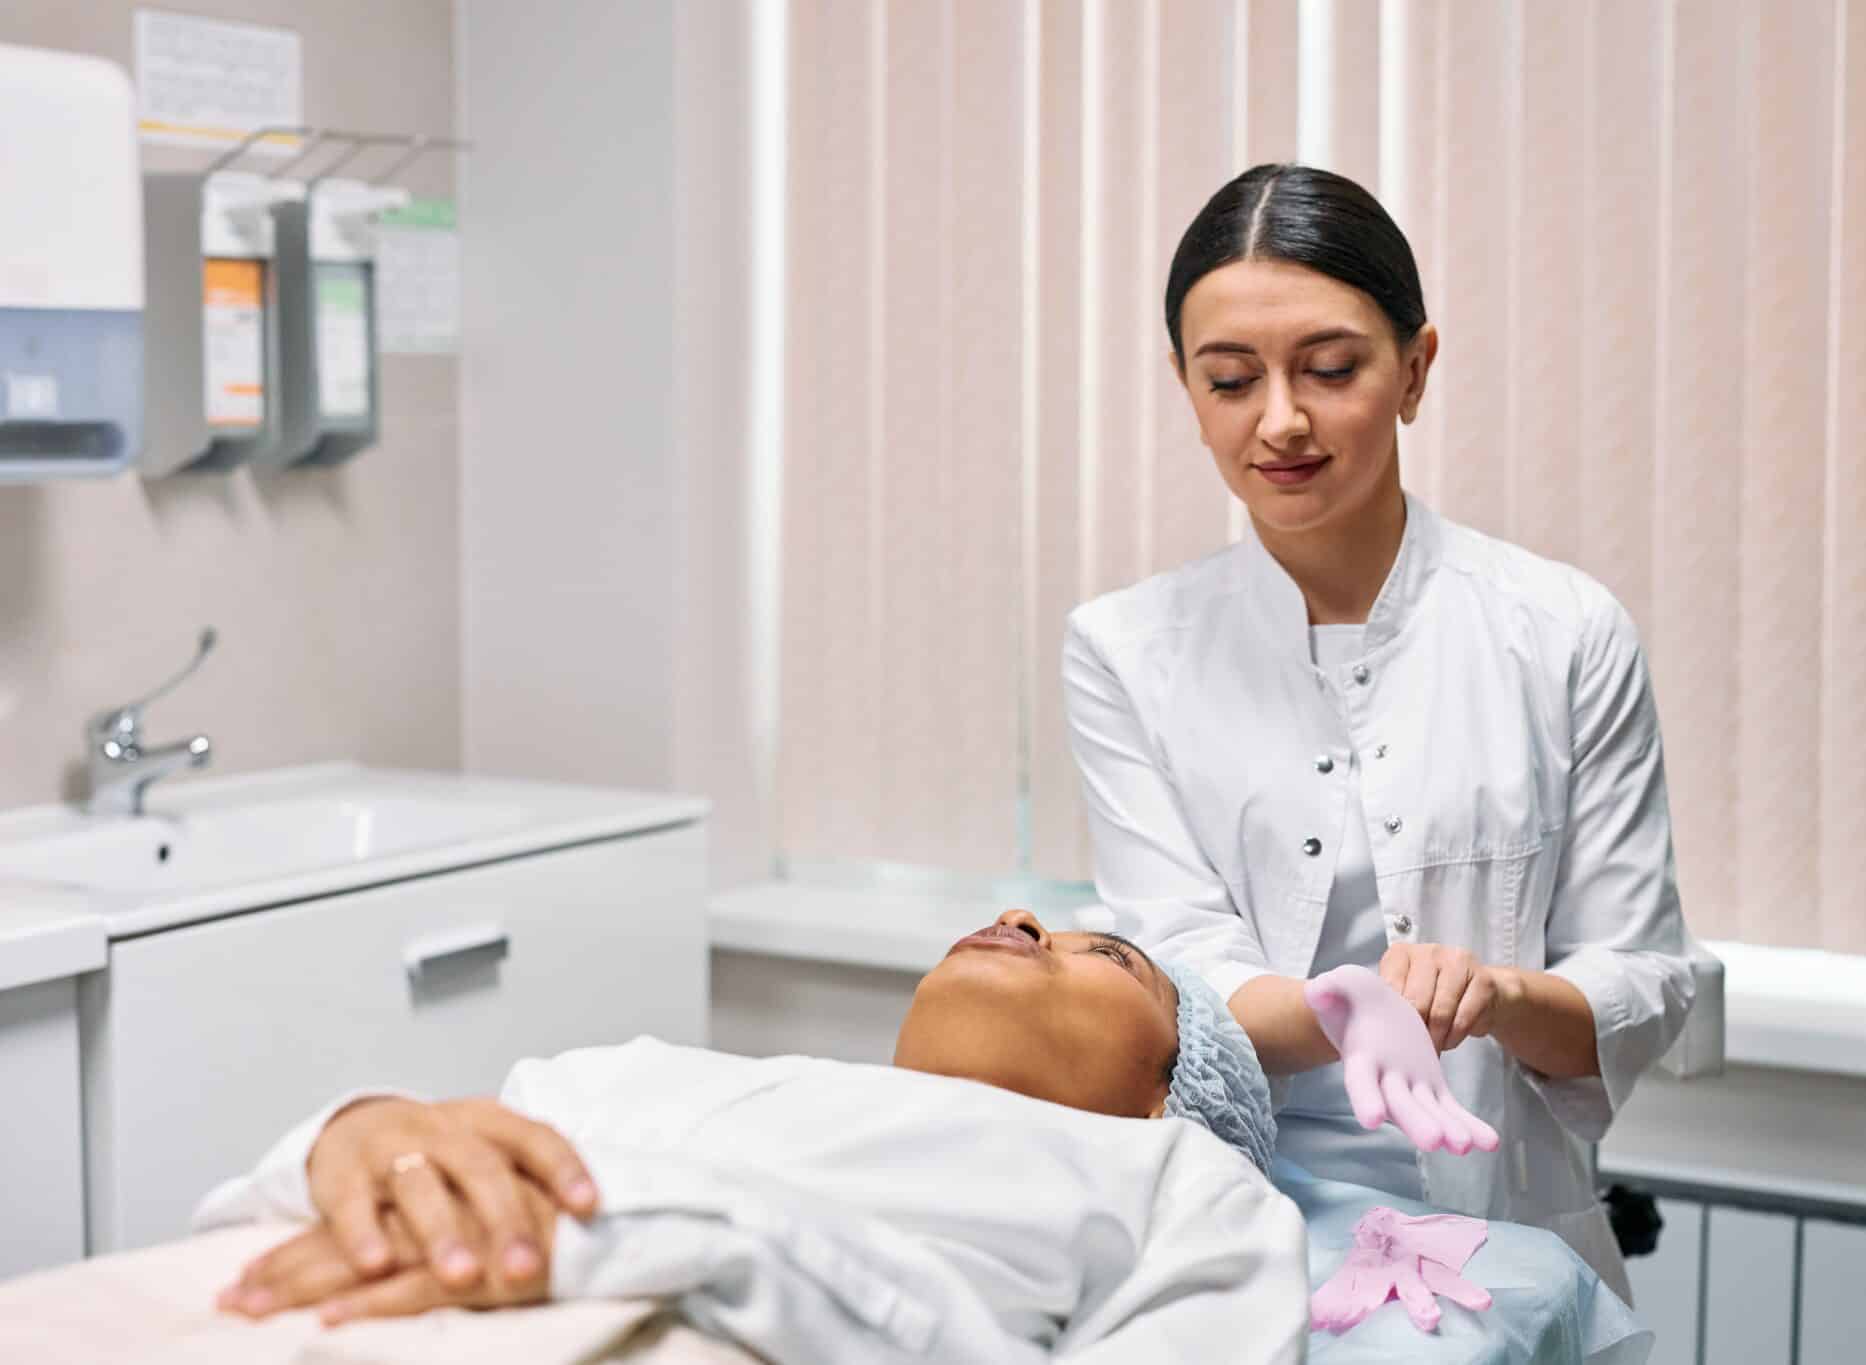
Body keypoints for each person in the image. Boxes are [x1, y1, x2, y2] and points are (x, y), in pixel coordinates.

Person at [1062, 162, 1699, 1295]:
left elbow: (1638, 979)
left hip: (1507, 1231)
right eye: (1227, 380)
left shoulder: (1559, 630)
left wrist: (1494, 998)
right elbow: (1180, 978)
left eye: (1330, 368)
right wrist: (1347, 1008)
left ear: (1413, 368)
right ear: (1183, 386)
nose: (1280, 421)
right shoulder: (1124, 649)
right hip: (1234, 1230)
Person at [198, 911, 1308, 1362]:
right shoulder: (629, 1072)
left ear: (1169, 1091)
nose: (1021, 920)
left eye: (1107, 956)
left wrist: (691, 1236)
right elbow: (255, 1222)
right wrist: (357, 1132)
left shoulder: (1179, 1179)